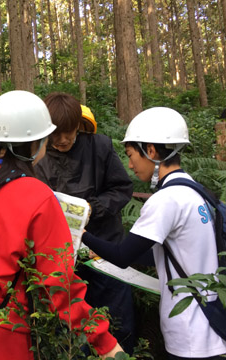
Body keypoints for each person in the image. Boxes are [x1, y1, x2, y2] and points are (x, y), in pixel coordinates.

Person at [0, 90, 123, 359]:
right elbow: (59, 284)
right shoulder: (36, 196)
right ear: (38, 142)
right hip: (2, 335)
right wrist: (105, 343)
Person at [82, 107, 226, 359]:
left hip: (189, 333)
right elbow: (163, 254)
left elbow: (123, 256)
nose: (129, 165)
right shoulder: (197, 192)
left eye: (130, 155)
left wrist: (81, 234)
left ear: (150, 150)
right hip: (212, 322)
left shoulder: (166, 200)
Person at [34, 93, 136, 353]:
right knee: (68, 321)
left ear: (79, 125)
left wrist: (94, 208)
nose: (63, 140)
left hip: (105, 248)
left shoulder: (99, 146)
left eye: (68, 133)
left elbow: (122, 187)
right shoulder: (38, 154)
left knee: (117, 319)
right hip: (62, 255)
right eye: (55, 134)